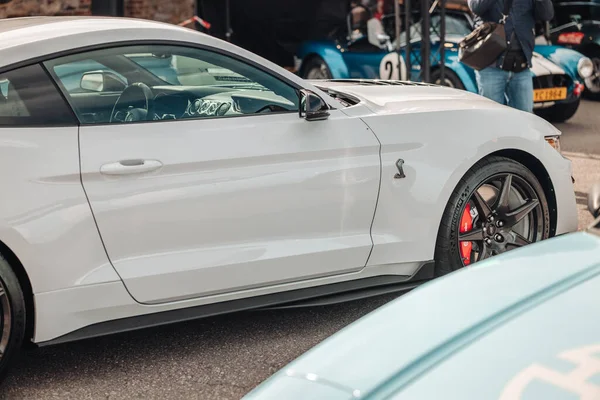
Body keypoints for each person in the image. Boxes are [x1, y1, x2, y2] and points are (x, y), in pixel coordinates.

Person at [467, 0, 554, 112]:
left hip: (521, 67)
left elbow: (547, 14)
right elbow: (476, 7)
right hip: (491, 66)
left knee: (525, 119)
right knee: (491, 118)